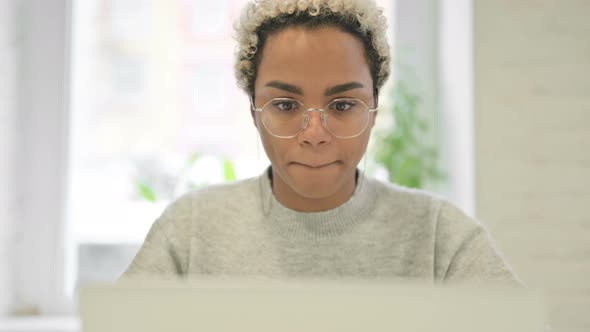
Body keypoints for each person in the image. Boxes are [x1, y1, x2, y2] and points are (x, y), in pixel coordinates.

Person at [121, 0, 521, 285]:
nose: (314, 134)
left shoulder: (441, 236)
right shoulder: (189, 232)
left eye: (343, 104)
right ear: (253, 112)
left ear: (375, 111)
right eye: (284, 104)